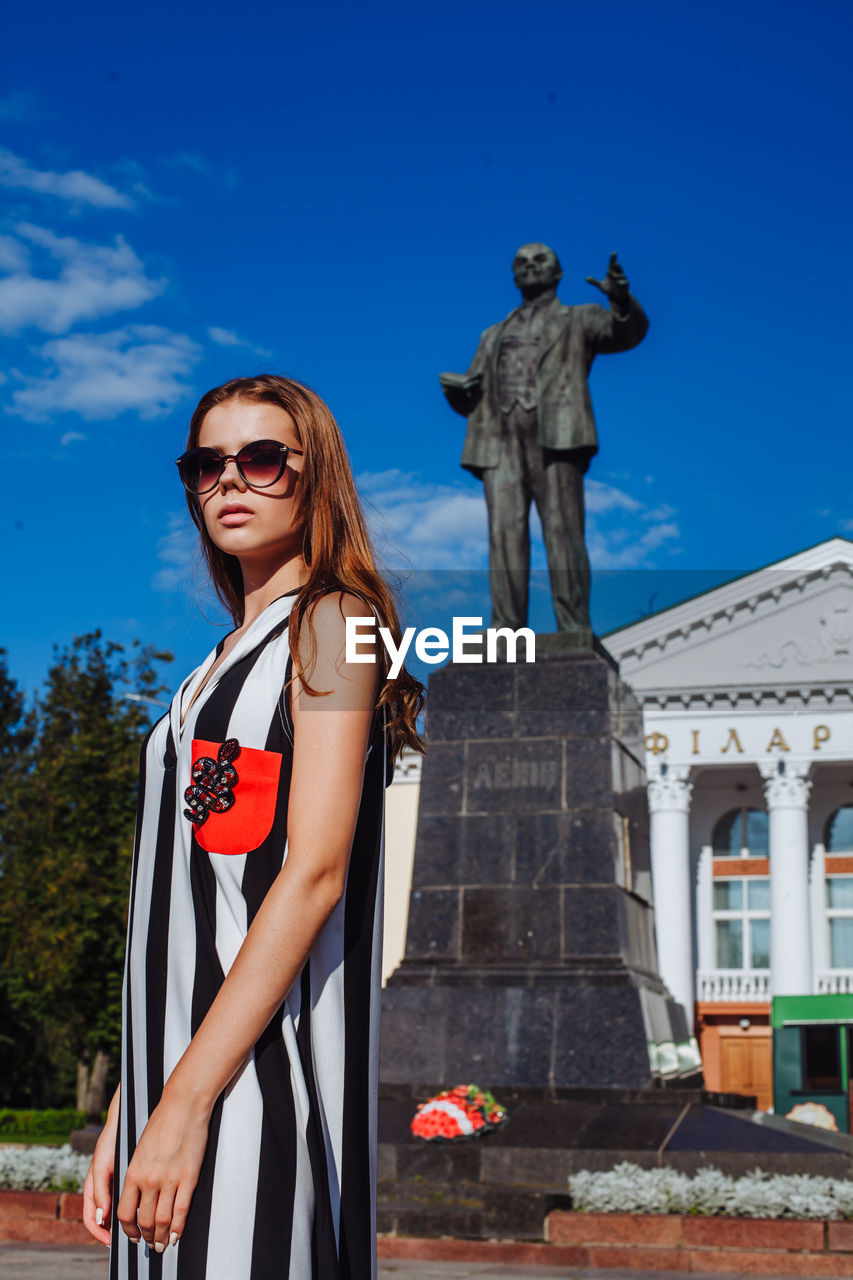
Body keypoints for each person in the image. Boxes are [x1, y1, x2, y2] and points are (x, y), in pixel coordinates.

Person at [82, 375, 423, 1279]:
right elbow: (195, 910)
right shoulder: (215, 664)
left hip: (258, 1082)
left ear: (317, 478)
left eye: (263, 458)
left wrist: (185, 1102)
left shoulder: (334, 623)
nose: (230, 480)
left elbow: (312, 874)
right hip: (180, 1084)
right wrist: (133, 1103)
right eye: (207, 464)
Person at [439, 244, 649, 635]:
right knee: (504, 538)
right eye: (522, 263)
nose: (531, 267)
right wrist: (460, 391)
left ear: (558, 273)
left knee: (563, 532)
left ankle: (573, 626)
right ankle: (506, 627)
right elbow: (476, 395)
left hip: (557, 438)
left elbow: (626, 332)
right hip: (500, 444)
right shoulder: (493, 335)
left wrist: (620, 298)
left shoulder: (581, 319)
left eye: (541, 261)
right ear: (514, 276)